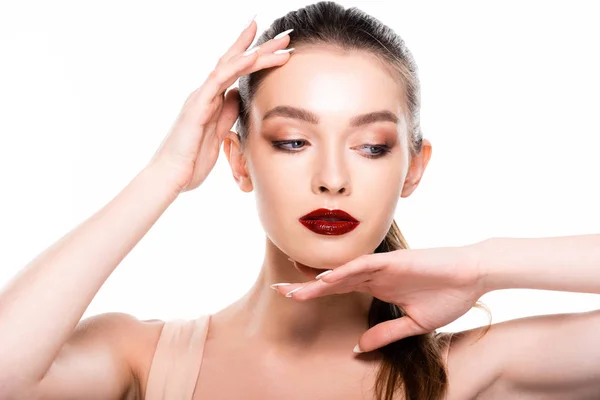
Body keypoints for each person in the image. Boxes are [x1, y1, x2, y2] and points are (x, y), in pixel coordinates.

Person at [1, 1, 599, 399]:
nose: (332, 178)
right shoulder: (141, 356)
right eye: (292, 140)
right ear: (239, 159)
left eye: (370, 146)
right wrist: (165, 174)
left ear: (413, 167)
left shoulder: (464, 372)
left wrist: (481, 266)